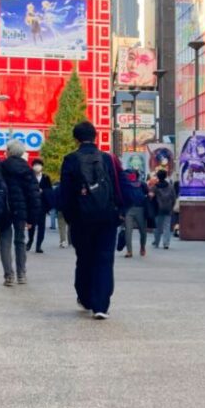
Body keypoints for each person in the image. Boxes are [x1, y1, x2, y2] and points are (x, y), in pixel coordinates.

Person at [59, 121, 126, 319]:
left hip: (81, 218)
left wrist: (70, 217)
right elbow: (118, 187)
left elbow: (66, 193)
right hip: (107, 217)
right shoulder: (108, 159)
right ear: (95, 136)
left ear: (76, 138)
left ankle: (86, 297)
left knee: (84, 258)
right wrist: (119, 212)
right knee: (104, 259)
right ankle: (101, 305)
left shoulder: (70, 159)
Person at [0, 141, 40, 286]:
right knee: (20, 241)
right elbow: (33, 195)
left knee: (5, 242)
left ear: (9, 151)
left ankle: (8, 275)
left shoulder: (0, 167)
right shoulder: (27, 169)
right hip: (21, 210)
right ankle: (21, 274)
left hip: (3, 209)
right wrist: (32, 218)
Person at [25, 159, 52, 254]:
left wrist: (43, 191)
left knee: (41, 226)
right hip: (31, 205)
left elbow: (50, 191)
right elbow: (26, 190)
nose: (37, 166)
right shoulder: (29, 177)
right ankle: (30, 241)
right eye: (35, 164)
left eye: (39, 164)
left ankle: (38, 245)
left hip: (42, 206)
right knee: (31, 225)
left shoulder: (46, 178)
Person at [121, 166, 149, 257]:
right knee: (128, 231)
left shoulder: (142, 184)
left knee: (143, 231)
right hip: (129, 209)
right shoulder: (126, 185)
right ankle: (129, 251)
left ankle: (142, 247)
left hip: (140, 209)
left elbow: (147, 192)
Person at [151, 169, 176, 249]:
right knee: (167, 227)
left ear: (158, 176)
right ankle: (166, 243)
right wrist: (171, 206)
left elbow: (151, 197)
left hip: (158, 209)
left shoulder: (155, 187)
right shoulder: (170, 186)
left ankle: (156, 242)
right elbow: (174, 198)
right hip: (168, 208)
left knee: (157, 227)